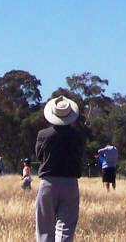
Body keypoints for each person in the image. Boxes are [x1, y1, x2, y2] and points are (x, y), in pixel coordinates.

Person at [35, 95, 85, 242]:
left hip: (48, 183)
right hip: (70, 183)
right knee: (66, 228)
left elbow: (39, 156)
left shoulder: (43, 135)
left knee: (44, 227)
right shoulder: (78, 136)